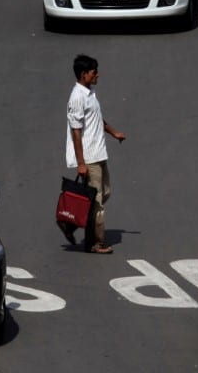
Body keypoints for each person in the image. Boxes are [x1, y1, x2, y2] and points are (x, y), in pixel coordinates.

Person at [62, 54, 126, 254]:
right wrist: (81, 163)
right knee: (96, 201)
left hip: (99, 154)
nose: (98, 75)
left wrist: (114, 132)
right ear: (83, 75)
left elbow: (97, 118)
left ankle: (73, 223)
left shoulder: (90, 93)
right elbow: (76, 131)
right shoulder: (77, 98)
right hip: (89, 158)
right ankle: (94, 242)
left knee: (104, 194)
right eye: (94, 72)